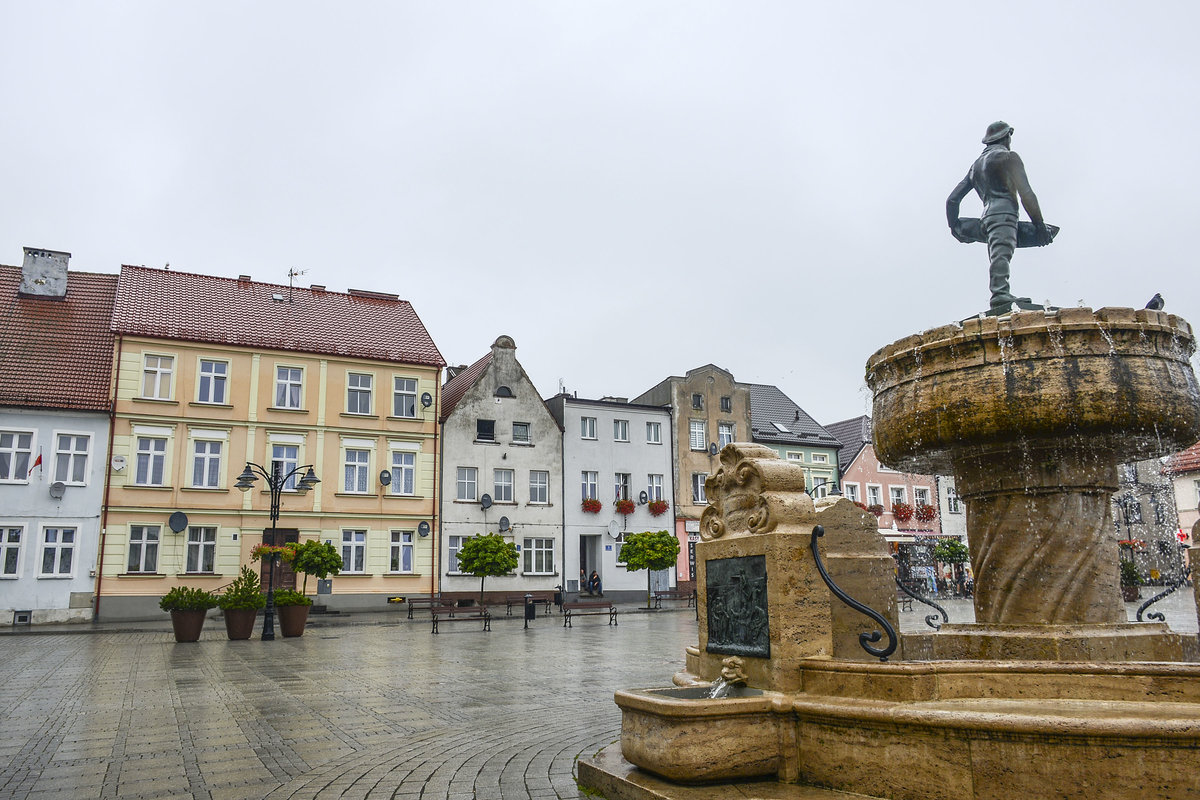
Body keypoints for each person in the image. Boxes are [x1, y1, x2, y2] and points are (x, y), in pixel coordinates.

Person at [946, 121, 1053, 312]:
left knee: (999, 252)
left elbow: (952, 200)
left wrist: (955, 227)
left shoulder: (976, 166)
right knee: (1001, 254)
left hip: (986, 218)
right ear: (1006, 137)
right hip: (1005, 215)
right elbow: (1026, 193)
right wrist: (1039, 225)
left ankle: (1002, 292)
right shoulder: (1008, 157)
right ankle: (1000, 294)